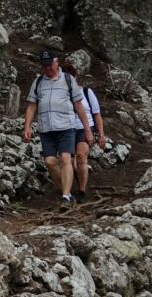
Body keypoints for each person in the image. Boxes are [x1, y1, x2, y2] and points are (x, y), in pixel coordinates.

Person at [21, 51, 93, 206]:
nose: (47, 68)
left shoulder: (68, 80)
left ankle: (66, 196)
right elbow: (32, 106)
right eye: (44, 65)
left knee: (66, 158)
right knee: (50, 162)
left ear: (56, 62)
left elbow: (79, 106)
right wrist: (27, 126)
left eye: (50, 64)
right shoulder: (38, 82)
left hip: (66, 127)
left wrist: (87, 129)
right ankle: (66, 191)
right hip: (46, 129)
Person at [60, 63, 106, 202]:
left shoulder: (86, 92)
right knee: (69, 161)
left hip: (85, 128)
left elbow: (97, 114)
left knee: (80, 156)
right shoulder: (60, 95)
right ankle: (71, 187)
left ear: (76, 77)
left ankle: (82, 190)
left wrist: (100, 134)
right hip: (66, 128)